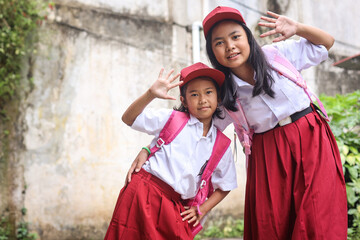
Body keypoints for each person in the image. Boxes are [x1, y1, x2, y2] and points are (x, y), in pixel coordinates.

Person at [126, 6, 348, 240]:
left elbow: (326, 43)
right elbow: (189, 125)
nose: (230, 46)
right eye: (219, 43)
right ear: (213, 52)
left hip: (310, 135)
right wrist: (149, 148)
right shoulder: (224, 93)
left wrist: (298, 28)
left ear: (247, 38)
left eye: (235, 37)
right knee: (273, 223)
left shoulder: (277, 54)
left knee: (318, 214)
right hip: (268, 152)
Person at [104, 62, 237, 240]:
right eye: (194, 94)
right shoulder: (172, 119)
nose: (202, 99)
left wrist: (203, 208)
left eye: (208, 92)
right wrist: (150, 94)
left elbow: (226, 185)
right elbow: (129, 118)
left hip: (176, 206)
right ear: (184, 101)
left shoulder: (220, 145)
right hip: (144, 192)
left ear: (219, 98)